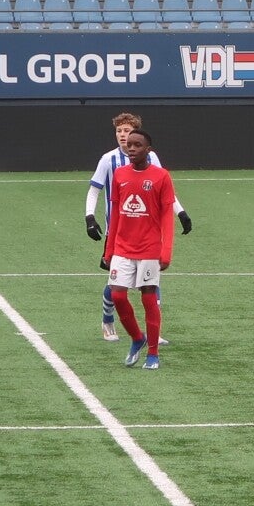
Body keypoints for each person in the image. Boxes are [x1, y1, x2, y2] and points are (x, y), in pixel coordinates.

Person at [87, 112, 189, 340]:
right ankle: (107, 319)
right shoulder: (109, 160)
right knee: (115, 283)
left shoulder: (152, 158)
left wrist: (180, 212)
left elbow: (165, 190)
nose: (123, 136)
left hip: (148, 233)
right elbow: (94, 190)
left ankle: (153, 333)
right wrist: (89, 217)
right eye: (119, 131)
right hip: (119, 232)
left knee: (150, 284)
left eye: (127, 131)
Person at [100, 129, 177, 370]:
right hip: (122, 247)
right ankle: (137, 338)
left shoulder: (161, 176)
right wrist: (109, 249)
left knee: (148, 298)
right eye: (129, 145)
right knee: (117, 295)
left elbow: (167, 217)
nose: (131, 148)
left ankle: (153, 353)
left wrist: (166, 251)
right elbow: (116, 215)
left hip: (149, 249)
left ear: (148, 150)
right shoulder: (120, 174)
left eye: (137, 145)